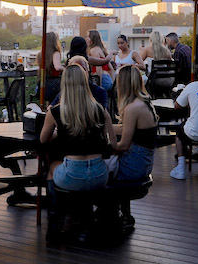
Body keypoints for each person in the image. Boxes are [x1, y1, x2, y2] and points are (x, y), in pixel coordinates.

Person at [40, 63, 115, 201]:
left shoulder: (55, 112)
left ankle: (55, 211)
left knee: (52, 167)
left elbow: (43, 139)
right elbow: (110, 140)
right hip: (99, 175)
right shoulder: (100, 109)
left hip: (72, 175)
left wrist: (58, 132)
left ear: (64, 84)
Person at [109, 64, 158, 182]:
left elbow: (123, 146)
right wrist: (104, 128)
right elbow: (126, 129)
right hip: (144, 164)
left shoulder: (132, 108)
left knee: (95, 172)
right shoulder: (145, 102)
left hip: (132, 167)